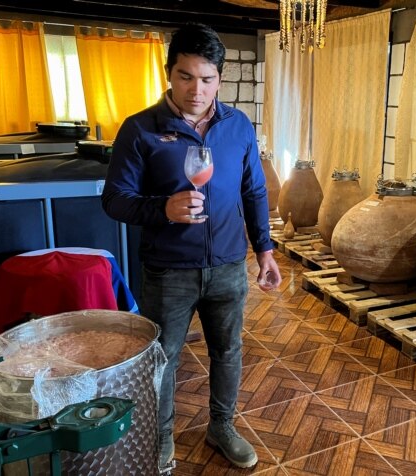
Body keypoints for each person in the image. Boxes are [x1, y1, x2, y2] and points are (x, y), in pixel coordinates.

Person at [101, 23, 282, 471]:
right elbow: (114, 200)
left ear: (219, 78)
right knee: (163, 360)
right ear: (169, 73)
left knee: (228, 351)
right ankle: (161, 439)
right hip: (168, 270)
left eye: (206, 79)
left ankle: (222, 426)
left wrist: (265, 251)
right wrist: (164, 208)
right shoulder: (140, 129)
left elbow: (254, 191)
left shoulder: (238, 125)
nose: (196, 90)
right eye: (185, 77)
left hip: (227, 267)